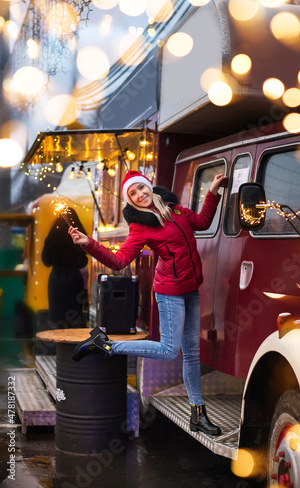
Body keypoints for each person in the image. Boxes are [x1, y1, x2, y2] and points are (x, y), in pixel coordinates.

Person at [69, 170, 227, 435]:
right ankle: (104, 345)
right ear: (130, 201)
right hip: (169, 292)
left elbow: (202, 221)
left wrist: (212, 192)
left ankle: (198, 415)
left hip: (191, 289)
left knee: (192, 353)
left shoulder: (175, 211)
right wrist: (89, 244)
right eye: (133, 194)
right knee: (168, 350)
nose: (140, 195)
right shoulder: (140, 227)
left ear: (149, 187)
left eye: (141, 188)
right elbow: (119, 261)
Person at [42, 207, 88, 329]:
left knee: (57, 320)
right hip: (74, 281)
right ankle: (73, 347)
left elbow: (45, 261)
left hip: (56, 280)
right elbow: (83, 262)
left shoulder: (52, 236)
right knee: (74, 320)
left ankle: (58, 347)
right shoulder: (78, 236)